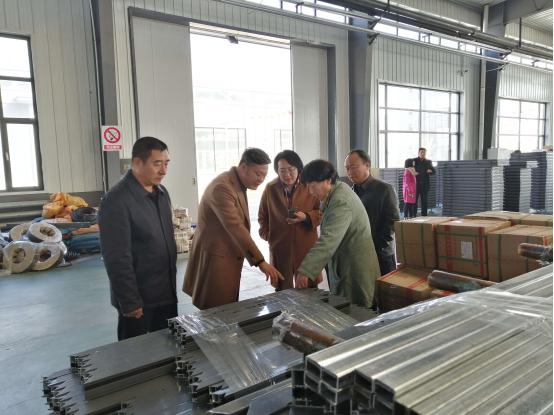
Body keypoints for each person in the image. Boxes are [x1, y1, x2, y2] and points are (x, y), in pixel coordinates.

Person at [183, 148, 284, 310]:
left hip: (227, 255)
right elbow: (235, 226)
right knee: (217, 312)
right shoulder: (222, 188)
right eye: (258, 174)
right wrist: (260, 261)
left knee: (225, 309)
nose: (261, 179)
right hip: (216, 259)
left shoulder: (236, 183)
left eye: (264, 175)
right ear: (243, 167)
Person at [99, 136, 178, 341]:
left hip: (165, 292)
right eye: (157, 164)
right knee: (135, 353)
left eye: (166, 163)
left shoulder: (162, 193)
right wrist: (129, 301)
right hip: (139, 300)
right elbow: (116, 257)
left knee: (168, 347)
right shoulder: (116, 200)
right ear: (136, 163)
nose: (164, 170)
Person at [294, 160, 381, 308]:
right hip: (345, 264)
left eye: (312, 186)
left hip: (355, 270)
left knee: (357, 313)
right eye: (307, 187)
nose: (310, 192)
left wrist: (306, 271)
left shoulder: (341, 201)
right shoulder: (334, 193)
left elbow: (328, 240)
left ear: (328, 180)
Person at [258, 150, 322, 290]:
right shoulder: (271, 188)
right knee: (282, 288)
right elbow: (262, 216)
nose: (287, 174)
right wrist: (269, 236)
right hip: (280, 246)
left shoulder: (309, 186)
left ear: (298, 168)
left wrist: (306, 217)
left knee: (309, 287)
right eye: (282, 170)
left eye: (291, 169)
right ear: (277, 171)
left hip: (305, 244)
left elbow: (322, 212)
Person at [344, 149, 400, 276]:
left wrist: (375, 247)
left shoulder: (385, 189)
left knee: (383, 288)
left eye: (353, 167)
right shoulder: (349, 194)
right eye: (347, 168)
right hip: (357, 255)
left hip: (381, 255)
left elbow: (392, 223)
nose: (349, 172)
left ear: (367, 165)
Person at [414, 147, 436, 216]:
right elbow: (410, 169)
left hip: (425, 184)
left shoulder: (428, 161)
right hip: (416, 184)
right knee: (414, 201)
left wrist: (430, 171)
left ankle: (424, 215)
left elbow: (434, 171)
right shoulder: (414, 161)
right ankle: (413, 215)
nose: (423, 154)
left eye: (424, 152)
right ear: (418, 153)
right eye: (421, 152)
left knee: (424, 201)